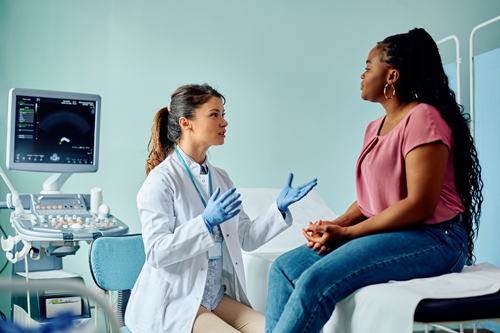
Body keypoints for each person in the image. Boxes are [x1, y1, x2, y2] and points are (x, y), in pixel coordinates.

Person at [264, 28, 483, 333]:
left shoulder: (423, 117)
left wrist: (349, 235)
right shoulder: (374, 128)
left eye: (368, 66)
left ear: (391, 76)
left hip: (436, 237)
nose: (362, 75)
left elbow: (420, 205)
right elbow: (372, 200)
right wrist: (336, 225)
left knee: (316, 280)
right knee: (283, 270)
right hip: (397, 231)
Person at [124, 84, 317, 333]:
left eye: (223, 114)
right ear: (186, 123)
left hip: (214, 297)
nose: (224, 122)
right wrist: (204, 223)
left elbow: (245, 237)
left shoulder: (221, 178)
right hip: (178, 302)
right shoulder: (161, 180)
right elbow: (156, 252)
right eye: (214, 115)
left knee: (277, 330)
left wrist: (278, 209)